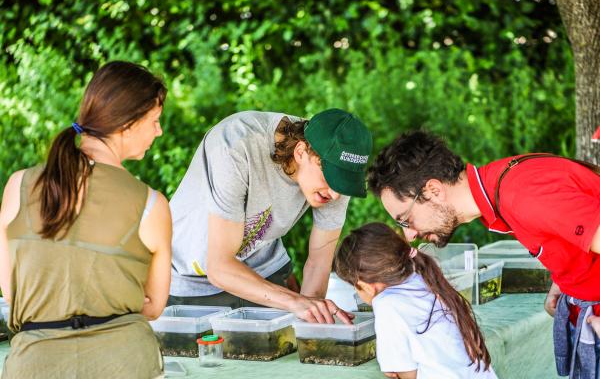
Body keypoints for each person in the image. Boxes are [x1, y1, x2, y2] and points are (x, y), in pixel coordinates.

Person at [367, 130, 600, 378]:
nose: (410, 235)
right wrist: (567, 278)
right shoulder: (501, 186)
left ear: (433, 190)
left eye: (406, 219)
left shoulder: (523, 194)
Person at [0, 61, 172, 379]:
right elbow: (152, 306)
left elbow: (11, 292)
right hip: (123, 363)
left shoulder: (18, 186)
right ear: (129, 124)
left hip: (34, 365)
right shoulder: (152, 204)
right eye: (155, 121)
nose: (159, 131)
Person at [169, 108, 372, 323]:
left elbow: (319, 261)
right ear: (301, 151)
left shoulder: (336, 169)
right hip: (191, 277)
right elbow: (219, 267)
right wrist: (296, 302)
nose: (335, 194)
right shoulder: (236, 144)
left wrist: (313, 322)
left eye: (342, 183)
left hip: (265, 268)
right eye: (331, 179)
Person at [334, 222, 496, 379]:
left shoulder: (386, 305)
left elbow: (406, 373)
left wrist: (395, 368)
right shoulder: (426, 278)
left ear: (365, 286)